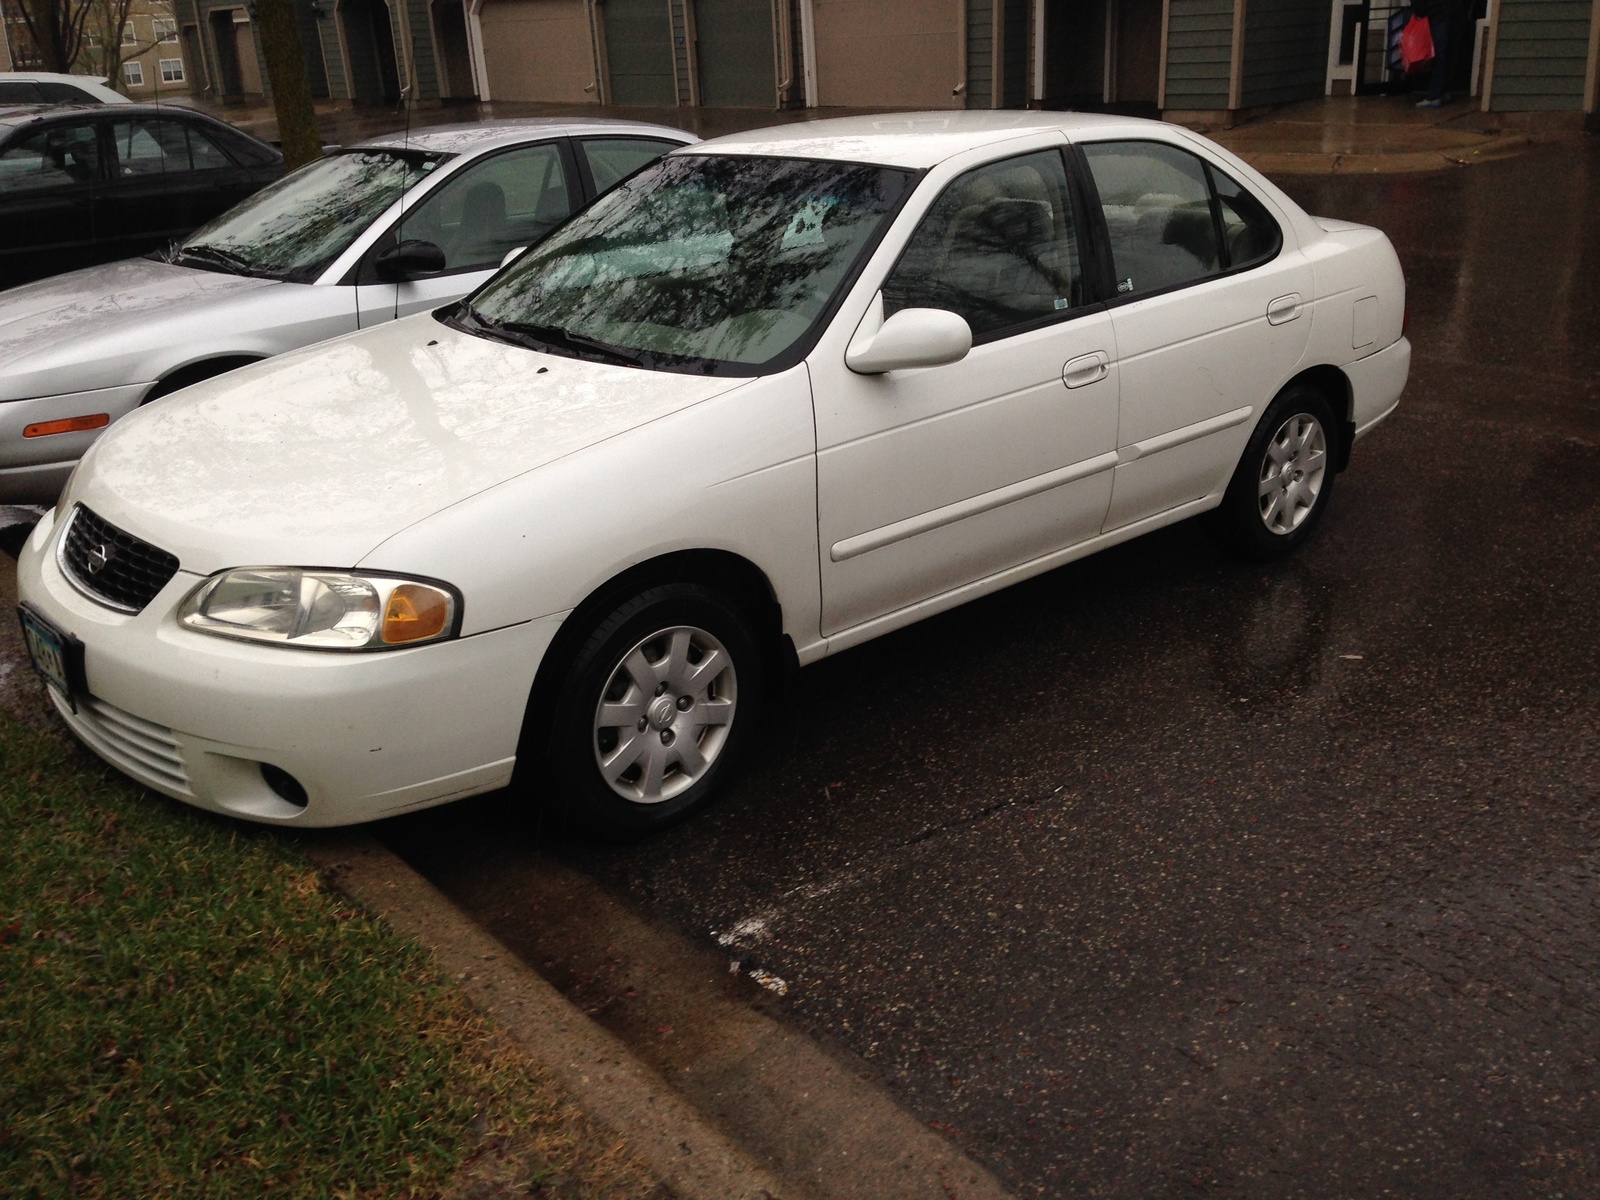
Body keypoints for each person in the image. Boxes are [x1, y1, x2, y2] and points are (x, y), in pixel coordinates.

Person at [1412, 0, 1469, 107]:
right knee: (1450, 53)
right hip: (1456, 12)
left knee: (1439, 55)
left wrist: (1420, 11)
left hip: (1437, 13)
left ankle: (1434, 95)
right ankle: (1444, 91)